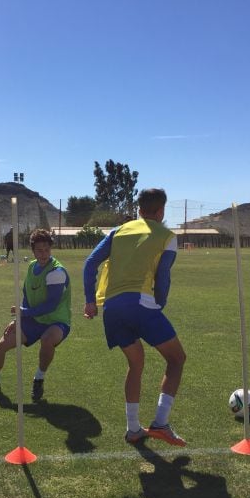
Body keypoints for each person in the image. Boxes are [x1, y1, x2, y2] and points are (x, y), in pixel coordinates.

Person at [83, 188, 187, 446]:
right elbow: (163, 277)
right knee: (176, 359)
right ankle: (160, 423)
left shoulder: (119, 231)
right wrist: (159, 304)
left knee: (136, 363)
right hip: (140, 304)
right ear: (162, 211)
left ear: (139, 210)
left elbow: (90, 263)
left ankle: (133, 429)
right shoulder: (167, 236)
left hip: (112, 308)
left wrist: (89, 301)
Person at [0, 229, 71, 402]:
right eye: (39, 250)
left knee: (48, 340)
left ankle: (39, 379)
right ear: (33, 251)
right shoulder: (33, 266)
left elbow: (51, 305)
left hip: (56, 320)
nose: (44, 254)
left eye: (47, 250)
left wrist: (24, 312)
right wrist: (18, 319)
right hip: (33, 319)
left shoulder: (57, 272)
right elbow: (27, 296)